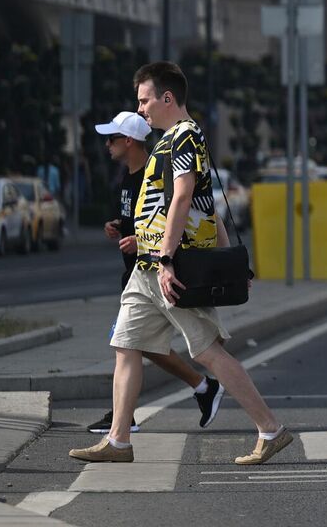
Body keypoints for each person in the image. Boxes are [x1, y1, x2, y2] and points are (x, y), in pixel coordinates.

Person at [70, 62, 291, 466]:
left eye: (144, 100)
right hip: (148, 266)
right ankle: (119, 441)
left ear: (167, 98)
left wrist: (169, 259)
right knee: (125, 344)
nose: (140, 110)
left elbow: (185, 199)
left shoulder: (185, 138)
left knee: (207, 354)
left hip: (173, 266)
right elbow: (209, 210)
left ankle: (270, 430)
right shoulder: (169, 139)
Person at [86, 110, 222, 435]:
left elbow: (175, 211)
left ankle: (205, 389)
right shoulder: (127, 177)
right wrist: (119, 228)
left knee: (138, 342)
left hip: (154, 269)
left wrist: (150, 247)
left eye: (112, 139)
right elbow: (137, 217)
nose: (107, 145)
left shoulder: (154, 169)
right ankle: (198, 389)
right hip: (137, 271)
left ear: (129, 141)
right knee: (132, 343)